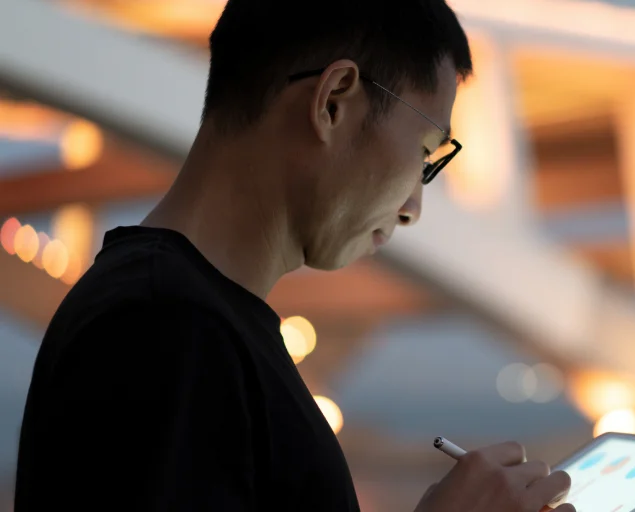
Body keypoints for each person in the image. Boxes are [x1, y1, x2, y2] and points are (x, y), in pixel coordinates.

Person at [14, 0, 575, 511]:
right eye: (425, 154)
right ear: (333, 101)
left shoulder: (183, 318)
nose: (413, 208)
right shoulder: (168, 326)